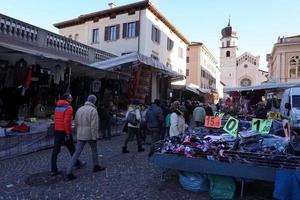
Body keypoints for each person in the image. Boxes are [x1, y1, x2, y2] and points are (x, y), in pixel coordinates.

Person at [66, 95, 105, 180]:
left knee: (76, 153)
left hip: (81, 134)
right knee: (94, 150)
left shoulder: (80, 109)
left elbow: (75, 122)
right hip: (90, 134)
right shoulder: (93, 110)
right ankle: (96, 166)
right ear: (94, 101)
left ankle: (69, 171)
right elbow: (94, 126)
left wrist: (77, 132)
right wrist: (95, 136)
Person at [51, 93, 85, 176]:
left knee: (55, 150)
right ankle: (77, 163)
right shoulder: (68, 107)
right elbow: (66, 122)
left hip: (57, 131)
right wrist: (68, 133)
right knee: (72, 148)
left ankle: (53, 169)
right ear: (66, 99)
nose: (72, 99)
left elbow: (55, 118)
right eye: (70, 98)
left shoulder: (57, 107)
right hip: (64, 131)